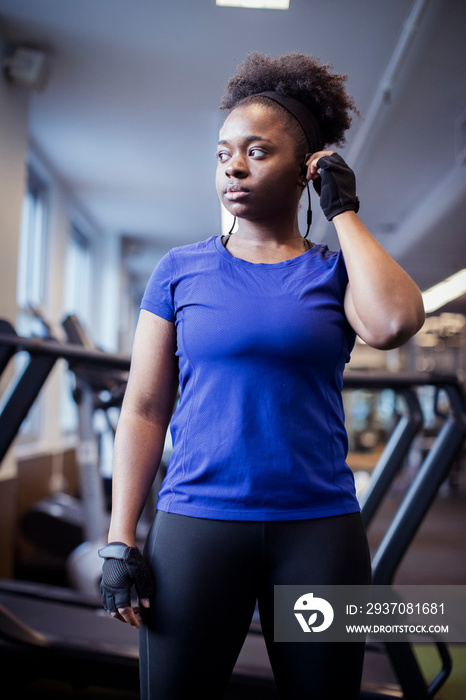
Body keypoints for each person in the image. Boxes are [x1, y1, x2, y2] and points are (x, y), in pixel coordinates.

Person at [99, 52, 425, 699]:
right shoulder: (178, 271)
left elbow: (393, 321)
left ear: (306, 168)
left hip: (320, 530)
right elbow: (142, 409)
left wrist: (344, 210)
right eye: (223, 155)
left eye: (257, 152)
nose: (234, 168)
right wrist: (118, 540)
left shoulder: (334, 273)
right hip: (198, 523)